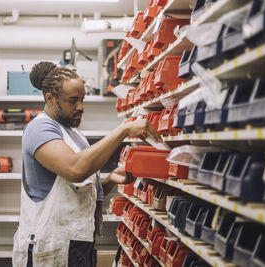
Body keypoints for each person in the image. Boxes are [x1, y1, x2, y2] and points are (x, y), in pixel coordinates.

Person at [12, 61, 162, 267]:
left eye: (82, 99)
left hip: (77, 243)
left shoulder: (73, 134)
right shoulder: (39, 129)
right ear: (50, 98)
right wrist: (123, 130)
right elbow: (75, 169)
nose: (80, 107)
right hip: (49, 247)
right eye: (73, 101)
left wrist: (109, 180)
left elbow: (77, 191)